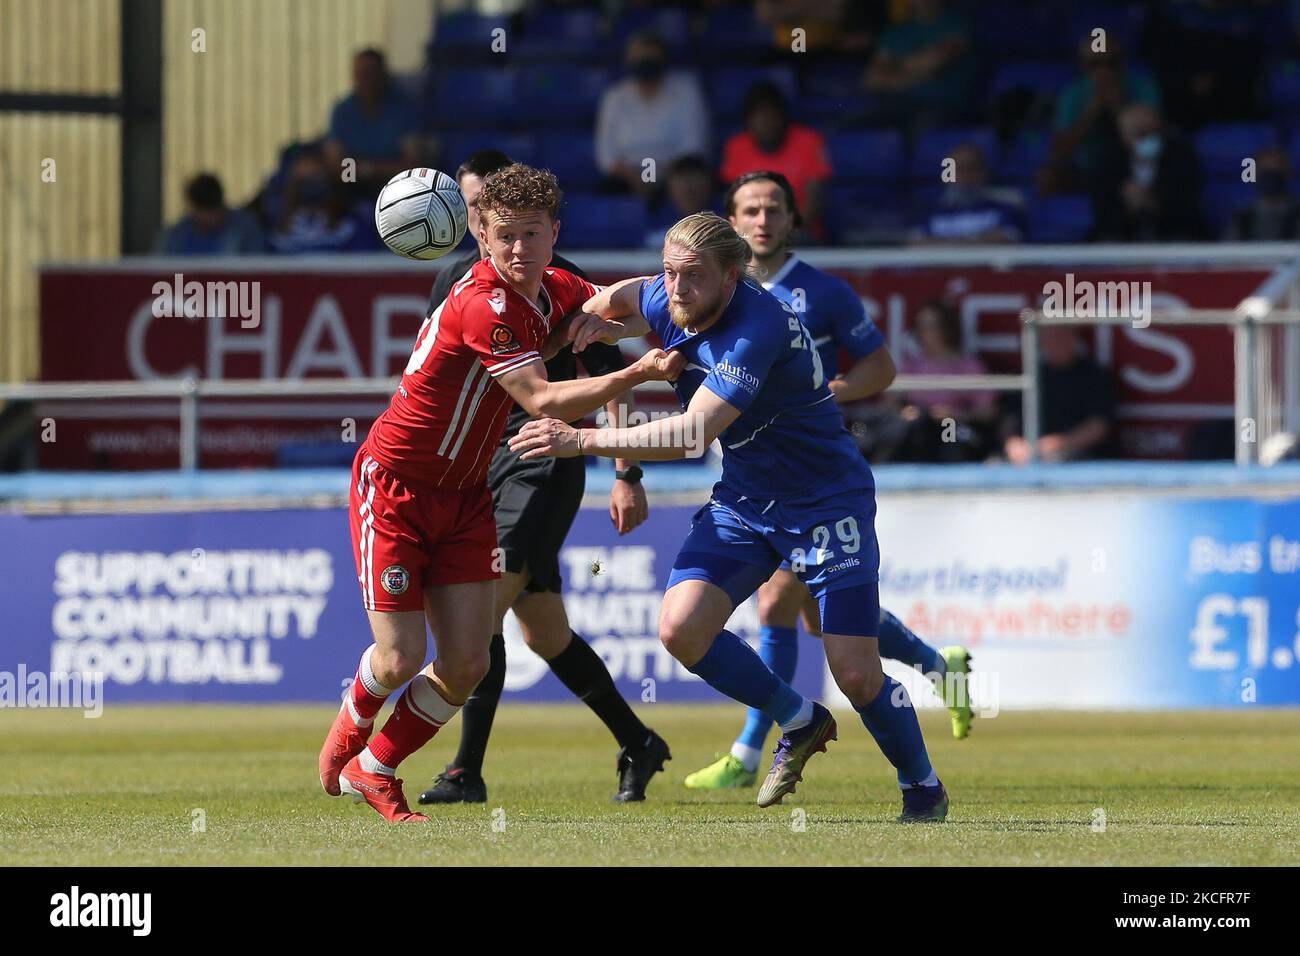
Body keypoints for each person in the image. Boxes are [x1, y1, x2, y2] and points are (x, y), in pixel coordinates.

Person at [512, 213, 950, 822]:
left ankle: (922, 787)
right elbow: (602, 300)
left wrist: (578, 441)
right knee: (681, 628)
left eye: (693, 277)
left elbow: (693, 433)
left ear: (733, 275)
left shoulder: (757, 326)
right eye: (669, 273)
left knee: (855, 673)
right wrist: (577, 325)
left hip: (826, 501)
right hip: (745, 499)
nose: (677, 288)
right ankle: (800, 720)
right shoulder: (667, 293)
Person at [317, 164, 685, 821]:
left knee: (466, 662)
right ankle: (350, 733)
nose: (520, 250)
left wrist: (678, 297)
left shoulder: (555, 287)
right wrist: (639, 369)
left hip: (467, 495)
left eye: (533, 235)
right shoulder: (485, 302)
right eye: (506, 236)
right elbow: (543, 397)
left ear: (554, 236)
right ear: (481, 238)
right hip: (398, 485)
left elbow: (619, 301)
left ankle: (376, 769)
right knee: (401, 657)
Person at [683, 173, 972, 791]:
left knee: (787, 610)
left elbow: (882, 367)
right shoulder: (704, 289)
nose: (762, 220)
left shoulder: (823, 292)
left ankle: (750, 749)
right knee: (813, 619)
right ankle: (931, 665)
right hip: (744, 469)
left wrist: (824, 391)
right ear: (730, 222)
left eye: (773, 210)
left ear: (792, 219)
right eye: (749, 210)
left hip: (812, 479)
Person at [413, 150, 670, 806]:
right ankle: (638, 741)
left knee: (481, 614)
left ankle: (465, 772)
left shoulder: (563, 281)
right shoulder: (453, 281)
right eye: (478, 213)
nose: (490, 226)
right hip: (479, 468)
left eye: (521, 225)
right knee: (545, 630)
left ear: (547, 228)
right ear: (473, 224)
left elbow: (607, 367)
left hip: (542, 461)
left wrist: (626, 471)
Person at [594, 31, 710, 199]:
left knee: (690, 183)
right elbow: (606, 155)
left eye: (651, 58)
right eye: (640, 58)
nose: (646, 63)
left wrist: (663, 175)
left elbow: (693, 145)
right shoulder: (614, 97)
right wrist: (635, 178)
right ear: (629, 61)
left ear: (664, 59)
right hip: (627, 176)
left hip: (676, 174)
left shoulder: (687, 91)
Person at [883, 299, 996, 463]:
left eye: (932, 325)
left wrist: (957, 414)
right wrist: (904, 412)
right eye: (921, 326)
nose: (925, 332)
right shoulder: (912, 365)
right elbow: (889, 403)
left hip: (951, 427)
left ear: (947, 328)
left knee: (951, 438)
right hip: (919, 429)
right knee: (904, 434)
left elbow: (988, 411)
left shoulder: (968, 366)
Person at [719, 82, 831, 240]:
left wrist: (782, 238)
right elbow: (733, 207)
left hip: (801, 238)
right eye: (759, 115)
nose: (766, 122)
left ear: (783, 116)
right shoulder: (737, 147)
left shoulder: (809, 142)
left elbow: (814, 202)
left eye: (771, 114)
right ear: (748, 120)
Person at [1091, 102, 1203, 241]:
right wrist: (1129, 206)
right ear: (1124, 136)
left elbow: (1189, 209)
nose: (1150, 138)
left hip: (1171, 235)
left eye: (1155, 131)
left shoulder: (1181, 156)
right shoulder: (1109, 161)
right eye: (1141, 133)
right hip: (1122, 236)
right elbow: (1103, 214)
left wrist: (1152, 202)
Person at [1004, 326, 1114, 465]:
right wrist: (1013, 443)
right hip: (1026, 455)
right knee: (995, 465)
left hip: (1076, 456)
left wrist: (1055, 444)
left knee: (1054, 461)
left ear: (1074, 339)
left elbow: (1098, 427)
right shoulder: (1030, 375)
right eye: (1050, 337)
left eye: (1061, 336)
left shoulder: (1094, 375)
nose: (1057, 342)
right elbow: (1009, 421)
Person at [861, 0, 975, 132]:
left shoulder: (959, 24)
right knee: (849, 130)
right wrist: (924, 73)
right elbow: (871, 80)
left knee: (920, 131)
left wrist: (894, 68)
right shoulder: (895, 32)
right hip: (896, 104)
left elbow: (935, 61)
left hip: (942, 105)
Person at [323, 48, 422, 197]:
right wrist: (377, 169)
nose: (365, 80)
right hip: (350, 189)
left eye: (370, 73)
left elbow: (412, 167)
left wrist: (365, 168)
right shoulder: (342, 111)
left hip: (396, 191)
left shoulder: (404, 109)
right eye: (360, 74)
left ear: (383, 75)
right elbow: (335, 167)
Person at [910, 143, 1024, 244]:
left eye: (970, 168)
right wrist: (976, 241)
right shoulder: (931, 212)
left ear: (984, 172)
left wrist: (943, 242)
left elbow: (1006, 240)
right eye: (957, 169)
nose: (964, 175)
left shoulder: (1003, 209)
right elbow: (916, 244)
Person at [154, 173, 265, 255]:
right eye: (204, 212)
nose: (211, 218)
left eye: (214, 211)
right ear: (193, 209)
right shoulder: (175, 236)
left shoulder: (246, 229)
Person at [1225, 147, 1300, 241]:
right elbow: (1229, 252)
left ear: (1288, 174)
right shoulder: (1242, 218)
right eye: (1266, 173)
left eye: (1276, 173)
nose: (1271, 179)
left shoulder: (1297, 215)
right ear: (1255, 175)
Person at [643, 154, 717, 247]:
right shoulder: (652, 224)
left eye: (695, 180)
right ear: (669, 188)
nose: (689, 188)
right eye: (682, 181)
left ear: (709, 186)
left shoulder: (726, 225)